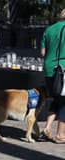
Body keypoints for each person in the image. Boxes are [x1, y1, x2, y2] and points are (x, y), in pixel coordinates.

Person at [40, 9, 65, 144]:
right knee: (64, 101)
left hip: (49, 70)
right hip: (63, 69)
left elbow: (43, 53)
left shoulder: (48, 30)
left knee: (56, 99)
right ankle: (60, 135)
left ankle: (47, 128)